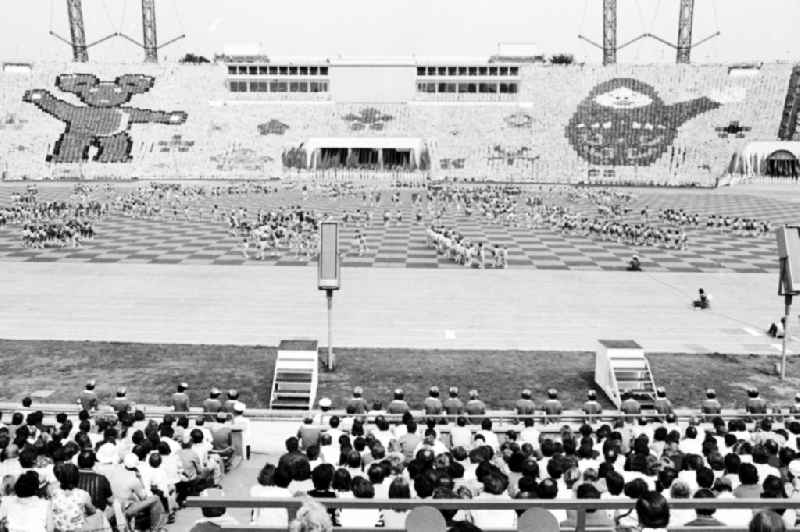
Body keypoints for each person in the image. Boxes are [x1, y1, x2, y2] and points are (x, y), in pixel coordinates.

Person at [51, 462, 96, 532]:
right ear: (77, 477)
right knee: (98, 514)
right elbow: (92, 511)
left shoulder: (54, 493)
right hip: (77, 530)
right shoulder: (83, 494)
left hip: (58, 530)